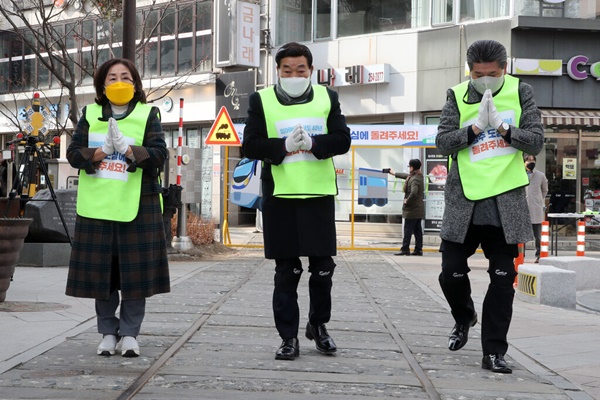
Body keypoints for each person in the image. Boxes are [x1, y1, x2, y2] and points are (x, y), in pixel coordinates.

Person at [435, 40, 544, 373]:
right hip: (463, 202)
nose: (485, 80)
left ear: (504, 69)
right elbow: (442, 141)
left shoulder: (520, 91)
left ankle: (494, 352)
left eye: (492, 74)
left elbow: (536, 140)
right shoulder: (456, 94)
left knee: (502, 280)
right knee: (450, 274)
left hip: (505, 203)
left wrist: (503, 127)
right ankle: (464, 315)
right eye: (478, 74)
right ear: (469, 70)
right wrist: (475, 129)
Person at [242, 42, 351, 361]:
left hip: (317, 195)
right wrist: (283, 146)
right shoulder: (260, 100)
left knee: (323, 269)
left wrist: (315, 143)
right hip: (281, 196)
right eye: (286, 70)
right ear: (277, 71)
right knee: (286, 272)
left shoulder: (326, 97)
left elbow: (342, 139)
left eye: (300, 69)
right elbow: (250, 145)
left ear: (310, 70)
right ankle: (288, 337)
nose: (293, 74)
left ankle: (318, 325)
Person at [66, 58, 170, 358]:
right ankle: (107, 333)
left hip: (138, 207)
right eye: (112, 78)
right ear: (102, 85)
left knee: (134, 278)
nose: (119, 82)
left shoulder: (148, 113)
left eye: (126, 77)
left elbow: (159, 155)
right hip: (97, 208)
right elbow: (74, 154)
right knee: (103, 275)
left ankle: (130, 335)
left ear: (136, 83)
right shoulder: (91, 113)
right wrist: (102, 151)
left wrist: (127, 149)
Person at [386, 159, 424, 256]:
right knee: (417, 231)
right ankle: (418, 250)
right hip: (418, 209)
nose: (409, 168)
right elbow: (406, 176)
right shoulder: (418, 176)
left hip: (412, 210)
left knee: (408, 230)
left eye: (410, 167)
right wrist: (394, 173)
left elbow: (414, 192)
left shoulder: (414, 179)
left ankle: (405, 249)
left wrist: (407, 200)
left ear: (412, 168)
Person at [524, 154, 548, 263]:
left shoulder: (540, 175)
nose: (530, 161)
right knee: (522, 234)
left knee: (537, 235)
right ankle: (520, 254)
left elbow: (545, 190)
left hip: (535, 208)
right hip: (523, 208)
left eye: (532, 160)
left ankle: (539, 255)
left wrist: (539, 200)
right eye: (528, 160)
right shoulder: (519, 174)